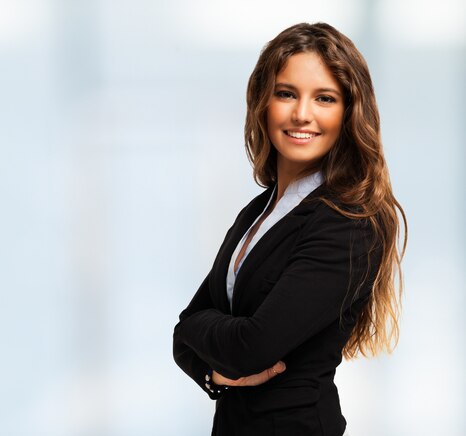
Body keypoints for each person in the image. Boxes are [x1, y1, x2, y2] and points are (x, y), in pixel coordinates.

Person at [172, 22, 407, 436]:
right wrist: (215, 373)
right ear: (263, 103)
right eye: (286, 93)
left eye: (324, 98)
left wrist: (198, 331)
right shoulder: (258, 211)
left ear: (348, 111)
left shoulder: (350, 222)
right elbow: (184, 333)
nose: (302, 113)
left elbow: (252, 346)